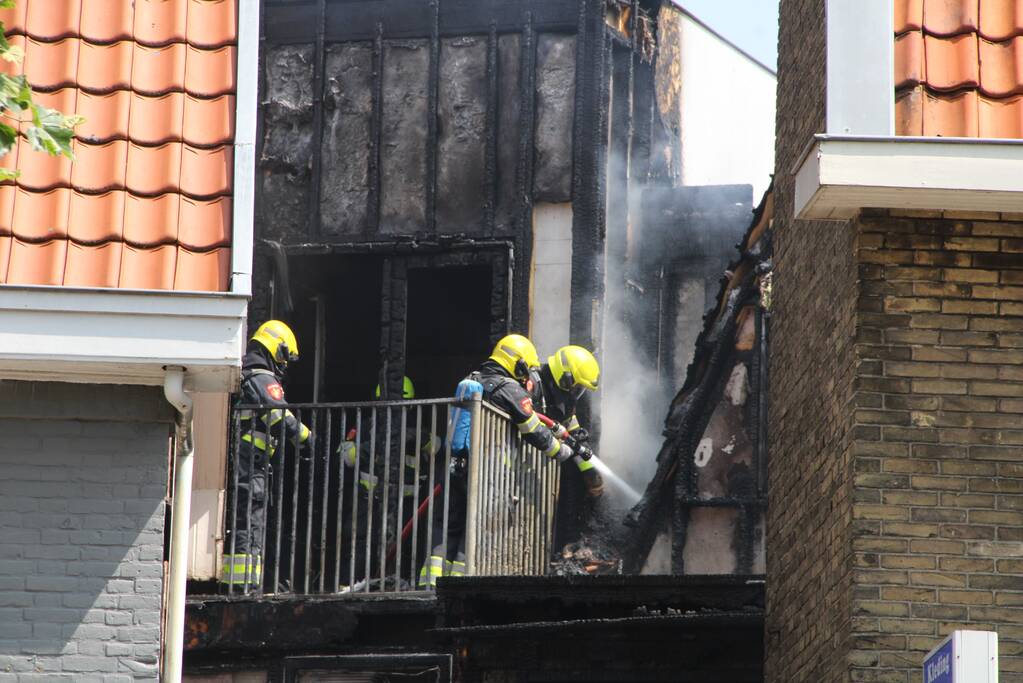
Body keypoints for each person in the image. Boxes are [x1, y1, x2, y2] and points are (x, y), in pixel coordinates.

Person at [419, 334, 583, 588]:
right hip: (486, 472)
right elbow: (533, 429)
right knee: (475, 529)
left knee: (446, 528)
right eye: (525, 368)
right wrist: (562, 452)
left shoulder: (473, 379)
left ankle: (430, 585)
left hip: (453, 468)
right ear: (517, 363)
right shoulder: (509, 387)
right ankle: (461, 586)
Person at [223, 320, 312, 590]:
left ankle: (244, 583)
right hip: (249, 464)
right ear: (276, 347)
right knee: (249, 520)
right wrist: (307, 437)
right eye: (285, 356)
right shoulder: (261, 377)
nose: (284, 365)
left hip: (249, 462)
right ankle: (245, 588)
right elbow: (278, 415)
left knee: (248, 519)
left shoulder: (248, 372)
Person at [531, 345, 604, 498]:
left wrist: (590, 471)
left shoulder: (565, 401)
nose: (577, 393)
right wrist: (558, 449)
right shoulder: (534, 385)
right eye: (577, 387)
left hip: (535, 478)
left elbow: (573, 432)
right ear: (565, 378)